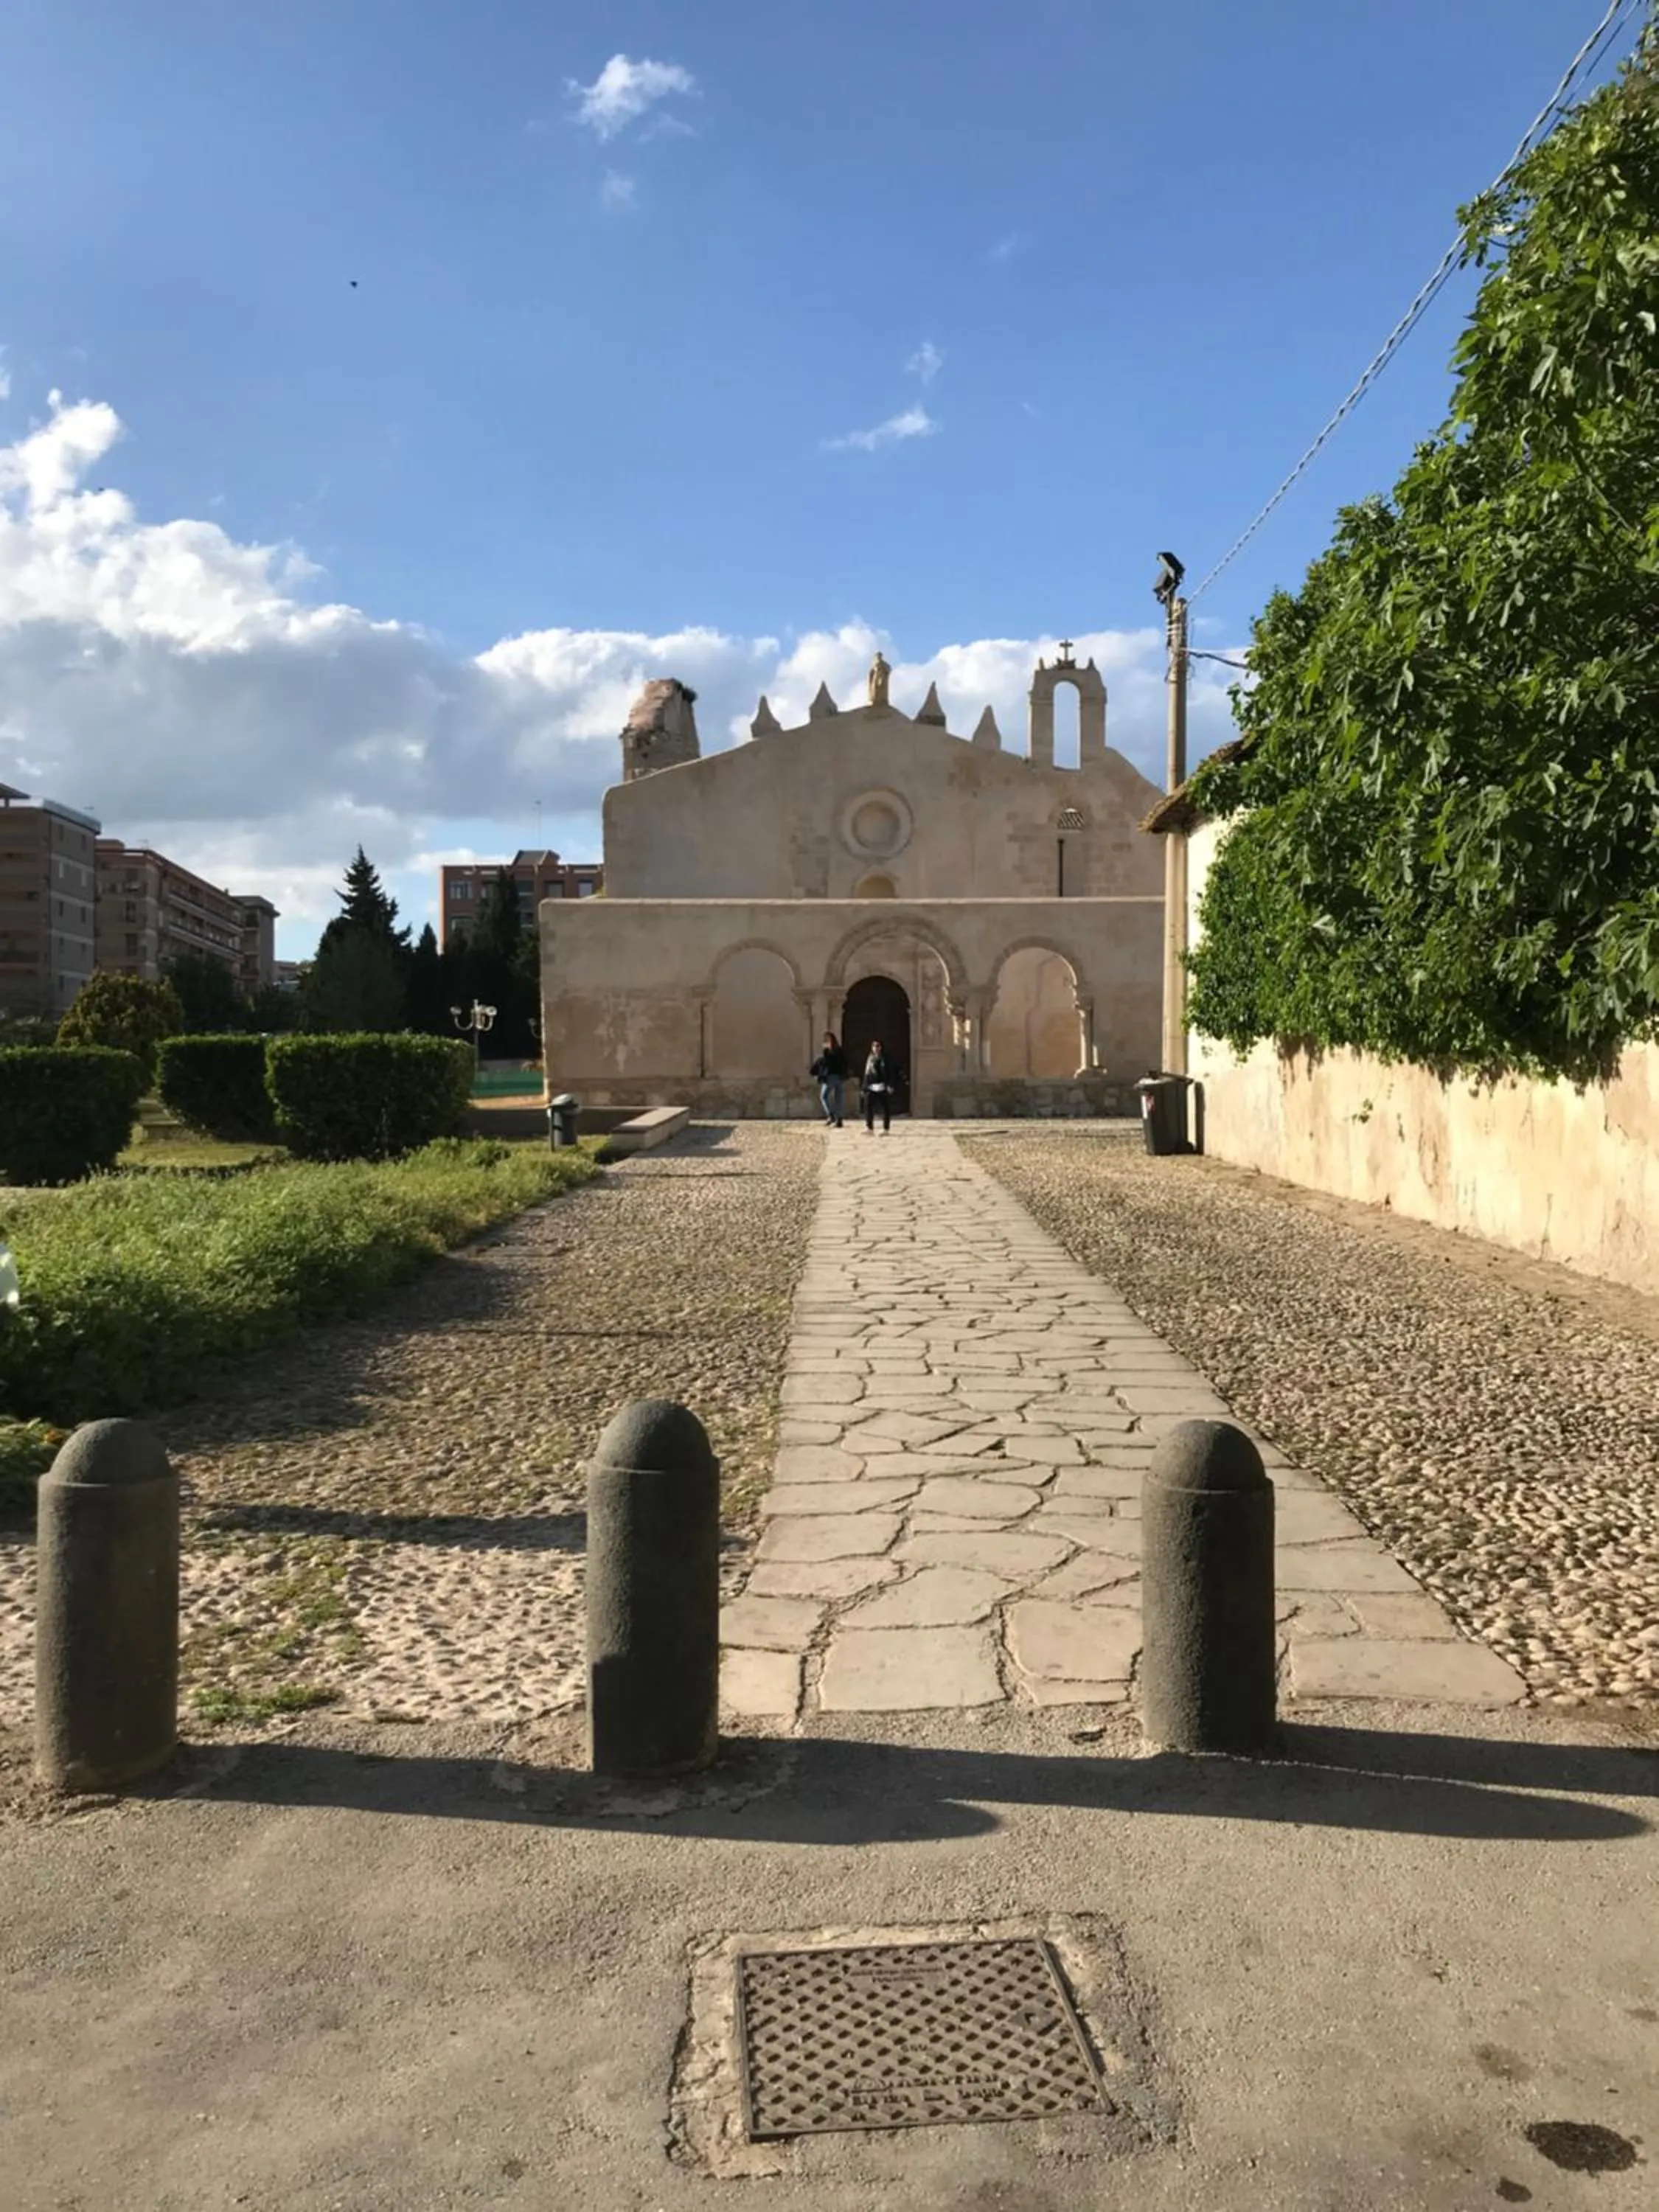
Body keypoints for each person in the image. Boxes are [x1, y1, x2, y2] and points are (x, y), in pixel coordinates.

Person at [809, 1032, 849, 1127]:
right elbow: (844, 1063)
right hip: (839, 1077)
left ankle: (831, 1116)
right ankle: (839, 1119)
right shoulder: (839, 1051)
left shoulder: (830, 1052)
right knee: (839, 1098)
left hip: (832, 1077)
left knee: (824, 1096)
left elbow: (828, 1063)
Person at [860, 1039, 896, 1135]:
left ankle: (886, 1129)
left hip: (882, 1086)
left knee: (885, 1108)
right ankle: (869, 1128)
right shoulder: (870, 1059)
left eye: (878, 1046)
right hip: (871, 1087)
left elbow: (890, 1072)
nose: (876, 1048)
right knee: (868, 1107)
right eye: (874, 1046)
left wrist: (890, 1085)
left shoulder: (886, 1059)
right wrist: (864, 1087)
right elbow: (866, 1074)